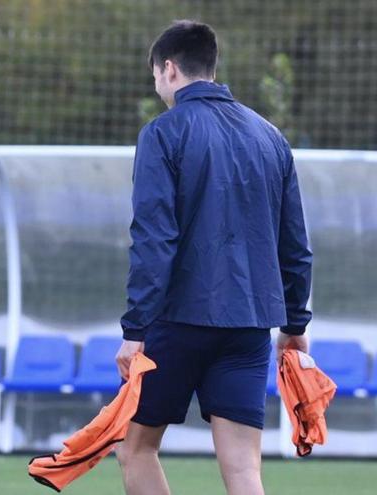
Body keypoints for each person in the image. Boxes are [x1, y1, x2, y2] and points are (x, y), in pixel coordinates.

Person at [113, 21, 312, 495]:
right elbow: (295, 246)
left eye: (156, 77)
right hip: (248, 327)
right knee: (244, 471)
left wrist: (134, 330)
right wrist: (296, 327)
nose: (158, 87)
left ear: (169, 68)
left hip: (179, 323)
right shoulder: (270, 137)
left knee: (135, 449)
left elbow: (154, 238)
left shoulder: (162, 134)